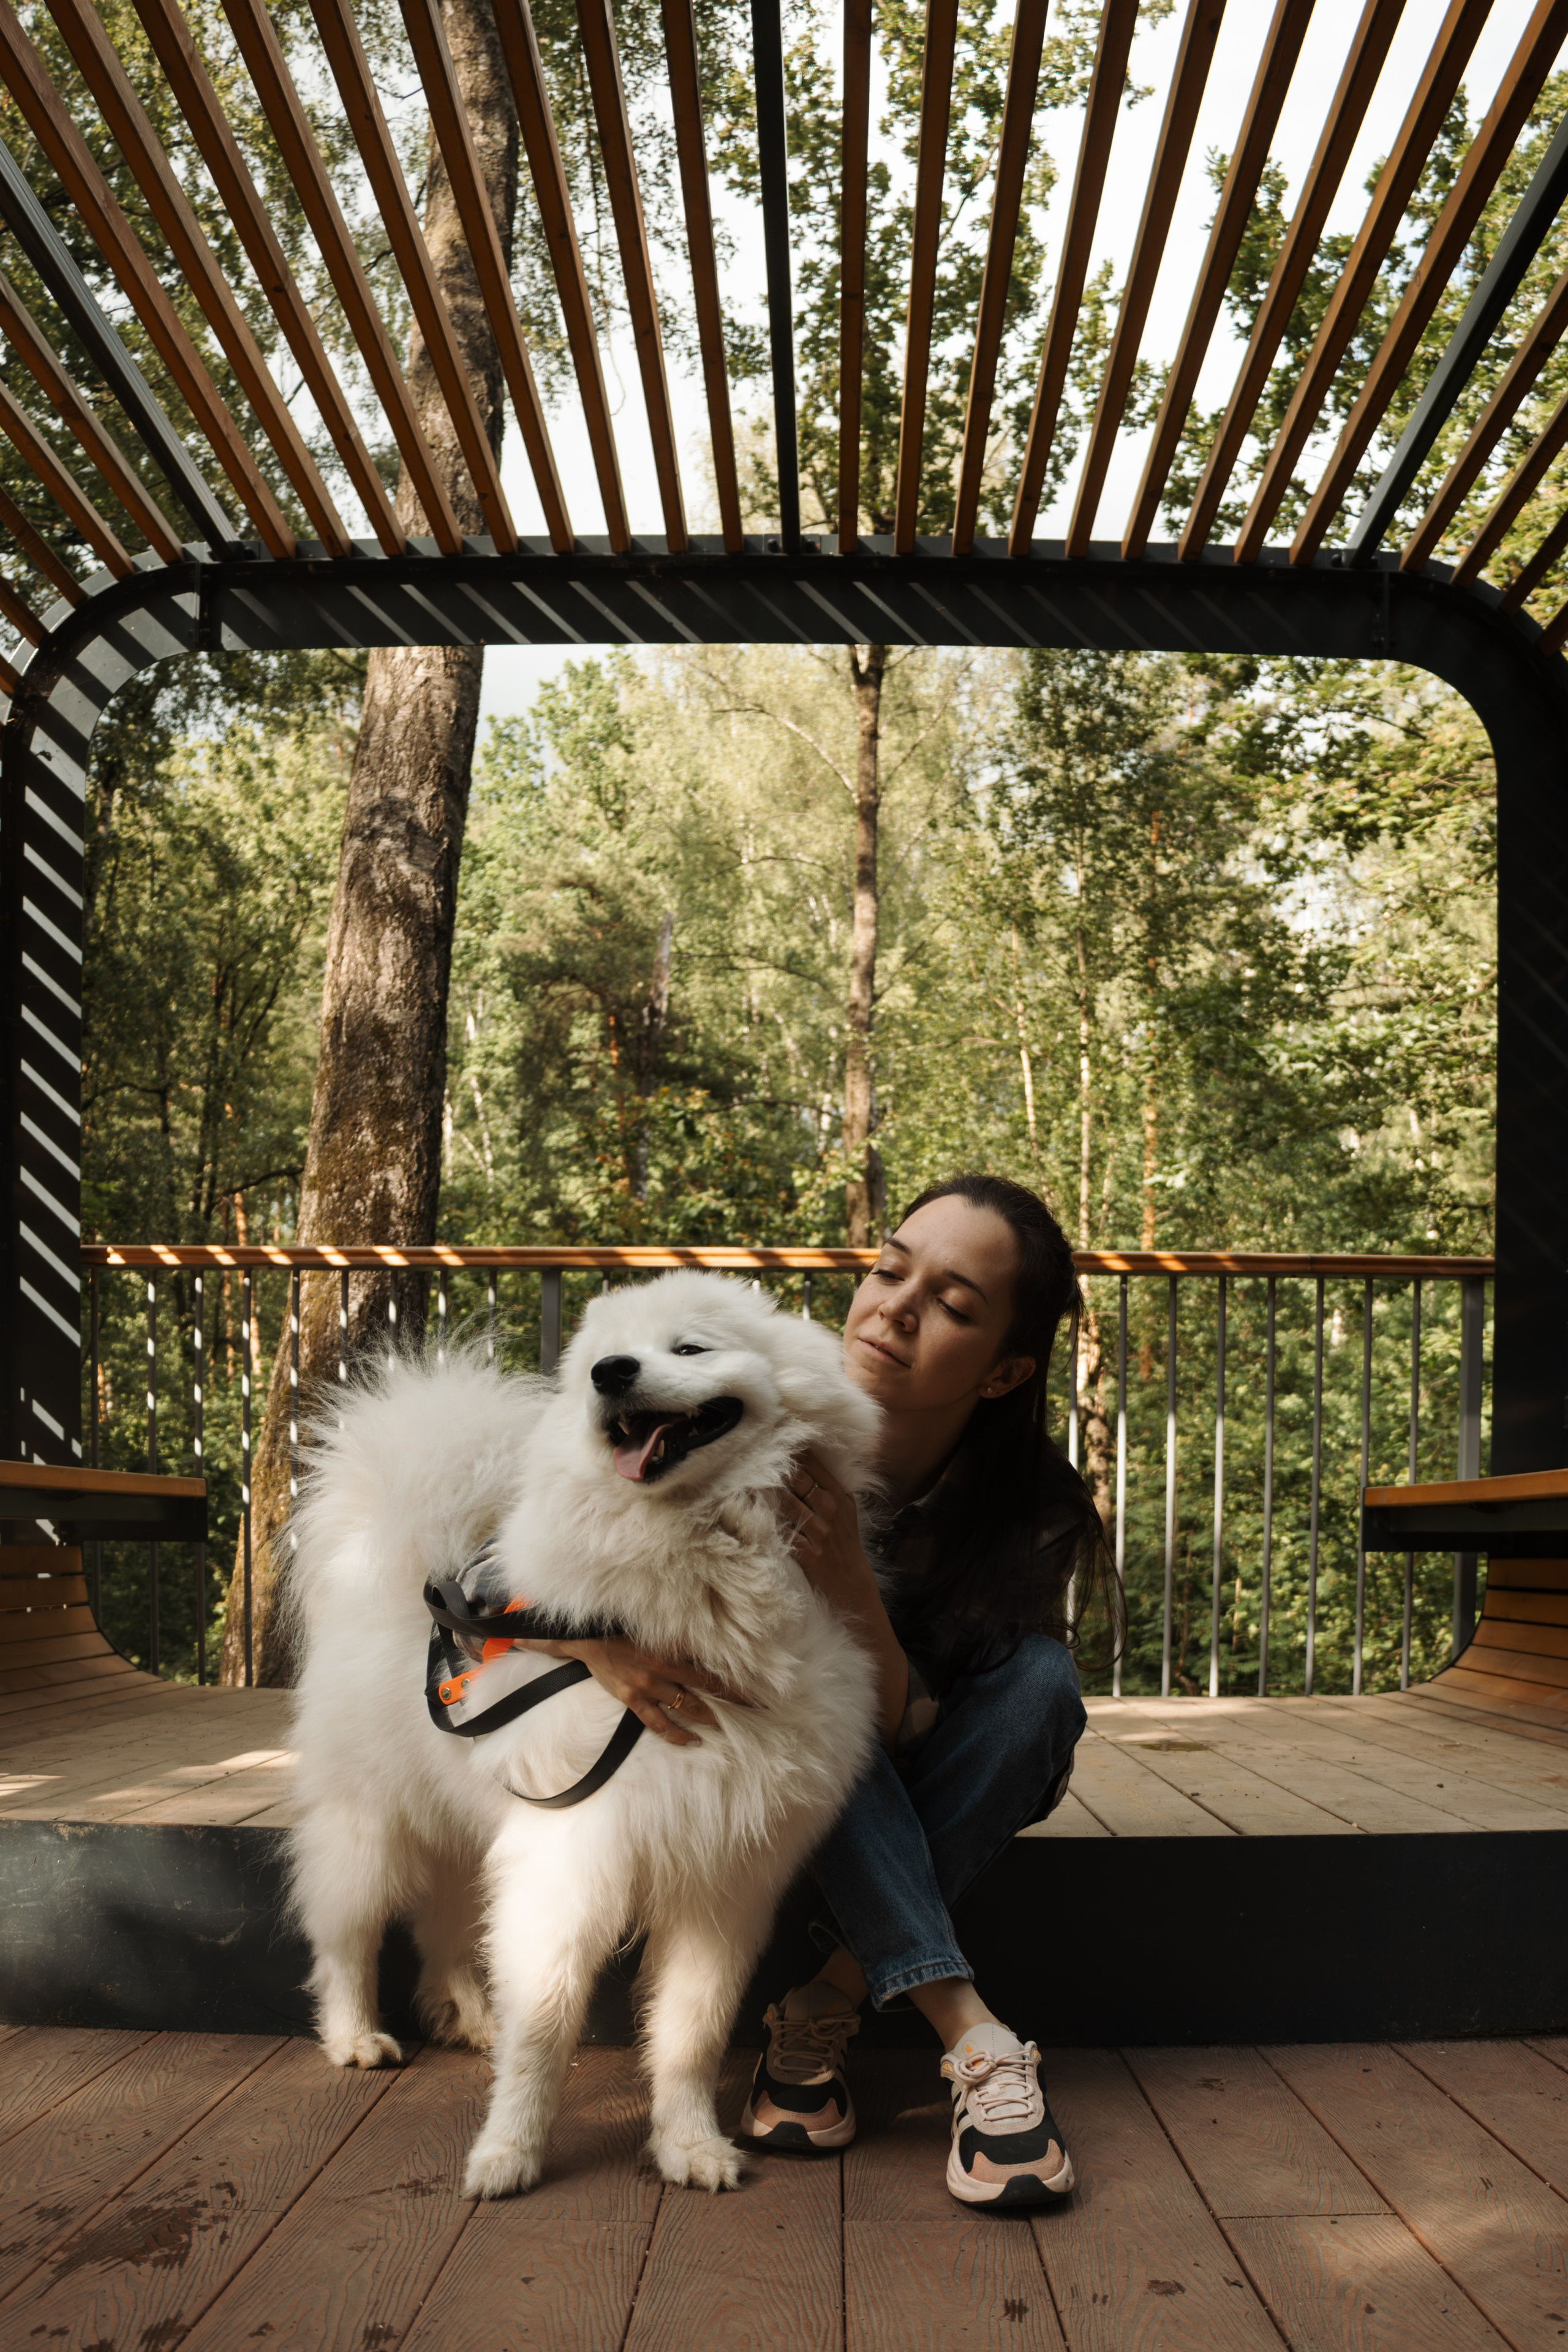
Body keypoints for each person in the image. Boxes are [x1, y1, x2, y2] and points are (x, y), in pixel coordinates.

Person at [551, 1173, 1112, 2207]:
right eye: (890, 1269)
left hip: (896, 1787)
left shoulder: (1032, 1512)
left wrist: (849, 1579)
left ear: (1005, 1373)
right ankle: (968, 2033)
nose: (894, 1308)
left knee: (1039, 1688)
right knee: (799, 1698)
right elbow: (535, 1545)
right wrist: (590, 1646)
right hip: (740, 1788)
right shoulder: (743, 1380)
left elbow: (907, 1731)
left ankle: (824, 2002)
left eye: (951, 1305)